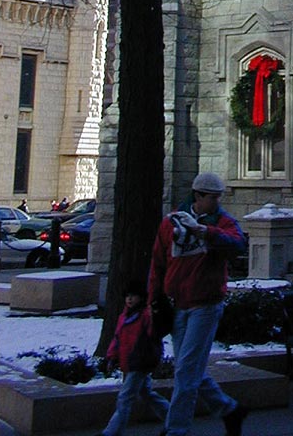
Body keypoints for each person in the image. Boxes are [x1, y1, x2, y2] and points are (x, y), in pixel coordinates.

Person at [148, 171, 248, 436]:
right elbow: (158, 263)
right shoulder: (171, 222)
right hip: (178, 305)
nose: (216, 202)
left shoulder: (222, 222)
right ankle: (229, 409)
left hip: (206, 305)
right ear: (198, 196)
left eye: (218, 197)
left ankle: (176, 429)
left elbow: (239, 243)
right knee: (188, 368)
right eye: (212, 198)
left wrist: (208, 233)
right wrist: (153, 298)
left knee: (186, 370)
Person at [101, 279, 169, 436]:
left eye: (133, 296)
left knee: (125, 397)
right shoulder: (124, 316)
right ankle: (172, 418)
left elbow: (154, 334)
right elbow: (117, 338)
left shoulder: (146, 315)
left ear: (141, 297)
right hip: (130, 362)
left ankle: (111, 432)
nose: (130, 299)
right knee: (146, 393)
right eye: (127, 296)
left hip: (140, 361)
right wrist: (112, 356)